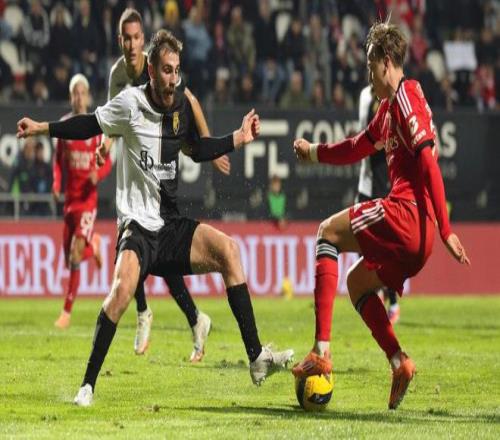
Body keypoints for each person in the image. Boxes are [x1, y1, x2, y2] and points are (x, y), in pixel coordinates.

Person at [17, 29, 294, 407]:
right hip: (136, 227)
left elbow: (197, 149)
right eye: (166, 70)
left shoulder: (180, 107)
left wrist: (238, 138)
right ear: (151, 70)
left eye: (176, 70)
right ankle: (87, 387)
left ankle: (256, 357)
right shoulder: (130, 103)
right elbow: (90, 125)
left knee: (229, 251)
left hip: (170, 225)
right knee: (121, 293)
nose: (172, 78)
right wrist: (42, 128)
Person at [291, 21, 470, 410]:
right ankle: (399, 361)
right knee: (357, 284)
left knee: (326, 233)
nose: (367, 75)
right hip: (417, 238)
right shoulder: (389, 108)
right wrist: (315, 152)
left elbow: (428, 162)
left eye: (370, 66)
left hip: (406, 216)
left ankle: (321, 351)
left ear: (386, 61)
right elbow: (357, 146)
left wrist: (447, 230)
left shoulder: (406, 97)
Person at [105, 8, 231, 361]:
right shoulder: (117, 75)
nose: (132, 44)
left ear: (142, 40)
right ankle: (187, 317)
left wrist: (208, 145)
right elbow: (110, 118)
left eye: (136, 37)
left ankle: (148, 312)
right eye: (126, 38)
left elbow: (189, 100)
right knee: (141, 242)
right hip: (135, 159)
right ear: (120, 40)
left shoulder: (161, 66)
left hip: (160, 163)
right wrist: (104, 144)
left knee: (149, 244)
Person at [52, 74, 112, 329]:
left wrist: (98, 174)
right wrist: (56, 183)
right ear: (71, 97)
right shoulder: (64, 126)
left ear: (87, 96)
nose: (79, 97)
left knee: (75, 254)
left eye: (82, 93)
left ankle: (66, 312)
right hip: (70, 201)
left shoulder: (96, 125)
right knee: (70, 259)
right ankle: (94, 244)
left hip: (88, 201)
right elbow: (58, 161)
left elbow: (108, 161)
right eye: (75, 93)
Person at [356, 85, 400, 324]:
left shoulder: (395, 95)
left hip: (384, 183)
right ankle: (377, 294)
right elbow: (366, 135)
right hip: (366, 184)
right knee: (362, 244)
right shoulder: (365, 95)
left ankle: (392, 301)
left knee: (385, 247)